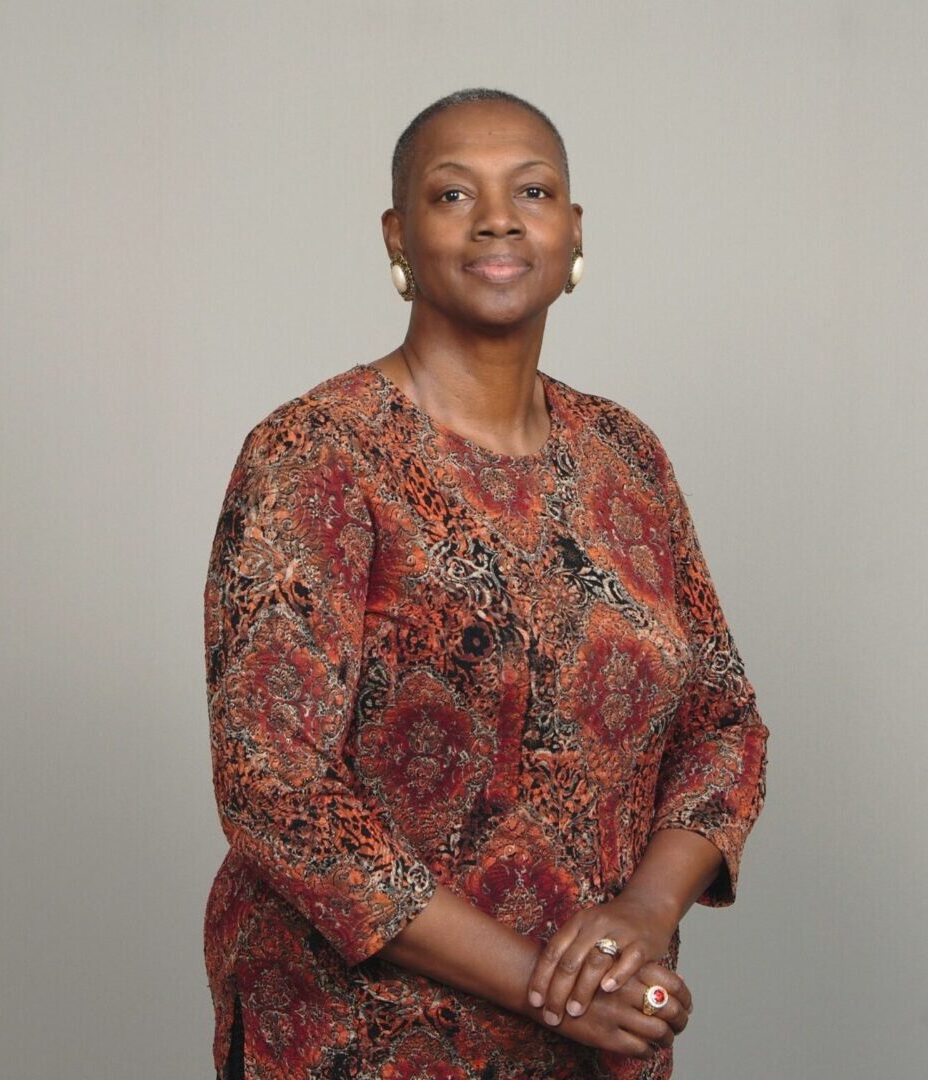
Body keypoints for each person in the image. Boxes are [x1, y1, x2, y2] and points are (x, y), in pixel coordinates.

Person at [203, 87, 769, 1080]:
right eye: (454, 193)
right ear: (400, 235)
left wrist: (643, 913)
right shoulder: (315, 454)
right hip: (362, 1040)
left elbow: (721, 722)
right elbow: (275, 788)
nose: (500, 217)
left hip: (596, 1046)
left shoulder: (625, 455)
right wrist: (551, 990)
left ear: (573, 232)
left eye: (534, 190)